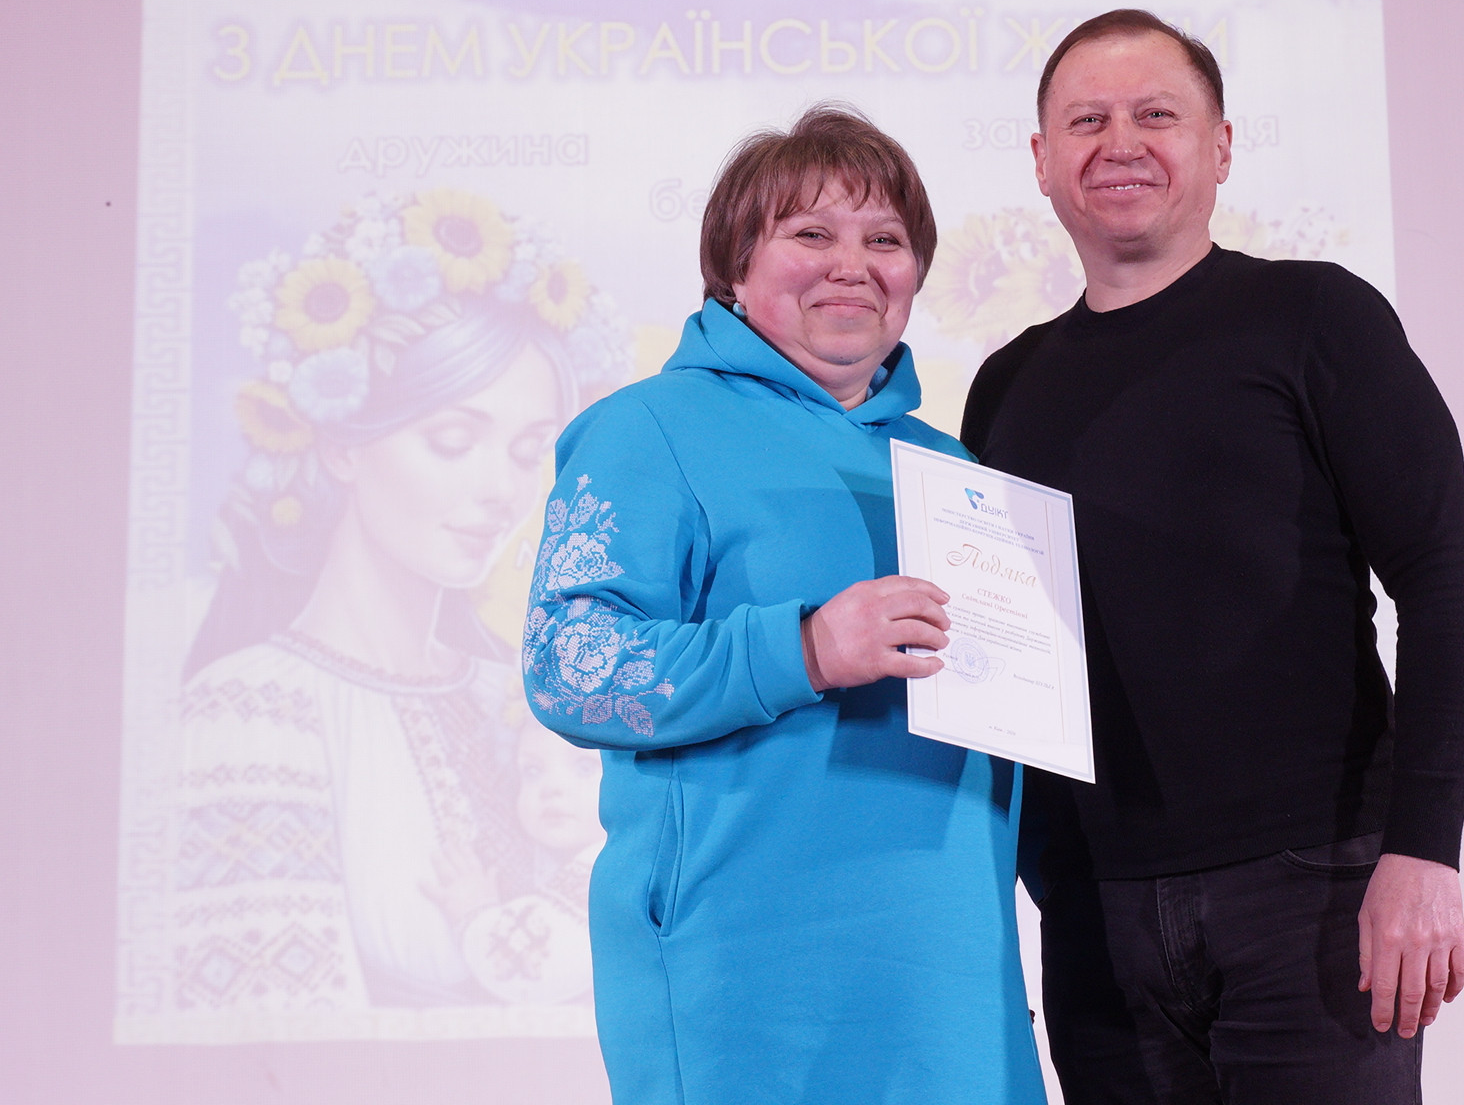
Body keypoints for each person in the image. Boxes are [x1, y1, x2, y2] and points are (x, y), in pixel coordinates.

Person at [962, 10, 1464, 1103]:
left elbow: (1449, 585)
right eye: (1087, 121)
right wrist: (1046, 883)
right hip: (1098, 920)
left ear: (1219, 148)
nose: (1120, 143)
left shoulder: (1314, 317)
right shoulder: (1005, 387)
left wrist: (1424, 850)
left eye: (1156, 115)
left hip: (1315, 890)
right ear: (1042, 161)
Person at [522, 104, 1048, 1105]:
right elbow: (567, 665)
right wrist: (803, 650)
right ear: (735, 266)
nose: (852, 266)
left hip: (950, 982)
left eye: (884, 240)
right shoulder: (646, 428)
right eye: (811, 234)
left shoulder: (959, 472)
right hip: (747, 976)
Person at [173, 188, 627, 1022]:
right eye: (452, 441)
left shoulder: (518, 697)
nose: (500, 490)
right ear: (343, 446)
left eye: (528, 452)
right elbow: (269, 1041)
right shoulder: (250, 709)